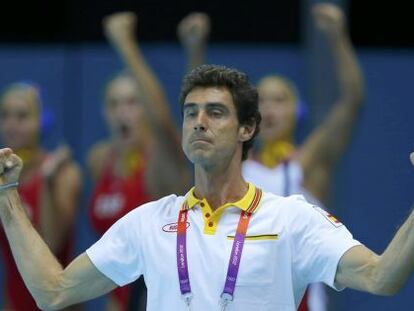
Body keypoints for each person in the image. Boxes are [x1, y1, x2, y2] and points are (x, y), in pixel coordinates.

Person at [0, 65, 414, 311]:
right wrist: (8, 196)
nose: (199, 121)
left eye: (216, 113)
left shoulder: (293, 219)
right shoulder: (149, 222)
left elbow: (382, 278)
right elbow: (53, 291)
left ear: (247, 129)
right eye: (191, 113)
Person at [87, 12, 191, 311]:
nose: (123, 112)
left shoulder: (161, 161)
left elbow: (161, 121)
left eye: (133, 103)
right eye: (115, 103)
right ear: (104, 112)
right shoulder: (100, 160)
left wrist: (124, 44)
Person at [0, 82, 82, 310]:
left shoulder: (63, 173)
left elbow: (52, 243)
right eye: (5, 115)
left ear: (41, 121)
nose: (12, 125)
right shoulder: (1, 176)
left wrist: (47, 182)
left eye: (22, 116)